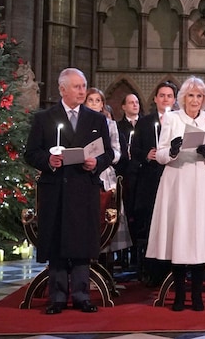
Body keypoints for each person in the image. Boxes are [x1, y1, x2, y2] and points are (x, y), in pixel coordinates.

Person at [24, 68, 114, 314]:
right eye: (76, 87)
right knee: (58, 243)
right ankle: (58, 298)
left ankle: (83, 295)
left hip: (84, 189)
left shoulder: (96, 119)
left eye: (84, 86)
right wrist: (48, 161)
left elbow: (109, 153)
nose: (82, 91)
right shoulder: (45, 118)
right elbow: (31, 153)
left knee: (82, 244)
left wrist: (97, 163)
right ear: (62, 89)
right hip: (56, 190)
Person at [146, 76, 205, 311]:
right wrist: (171, 150)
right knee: (179, 235)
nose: (195, 100)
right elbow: (160, 154)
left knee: (199, 236)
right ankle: (180, 295)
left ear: (204, 99)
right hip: (177, 180)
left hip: (201, 179)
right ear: (183, 98)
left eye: (199, 96)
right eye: (191, 95)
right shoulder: (171, 118)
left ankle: (198, 296)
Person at [130, 81, 177, 286]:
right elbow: (134, 149)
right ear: (155, 99)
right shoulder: (144, 122)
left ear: (174, 100)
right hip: (150, 181)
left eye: (169, 96)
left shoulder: (178, 121)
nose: (165, 99)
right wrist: (147, 155)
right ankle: (153, 273)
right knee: (152, 226)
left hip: (173, 178)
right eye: (162, 95)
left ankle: (173, 271)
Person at [84, 89, 132, 272]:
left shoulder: (110, 125)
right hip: (84, 173)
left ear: (102, 104)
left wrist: (101, 159)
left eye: (98, 100)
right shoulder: (79, 123)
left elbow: (117, 152)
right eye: (91, 100)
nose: (94, 103)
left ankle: (106, 270)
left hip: (105, 174)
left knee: (108, 220)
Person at [115, 93, 142, 268]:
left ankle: (138, 255)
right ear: (123, 106)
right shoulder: (118, 126)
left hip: (141, 174)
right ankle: (124, 253)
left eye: (137, 102)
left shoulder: (146, 124)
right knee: (127, 212)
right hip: (125, 174)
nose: (134, 105)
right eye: (130, 102)